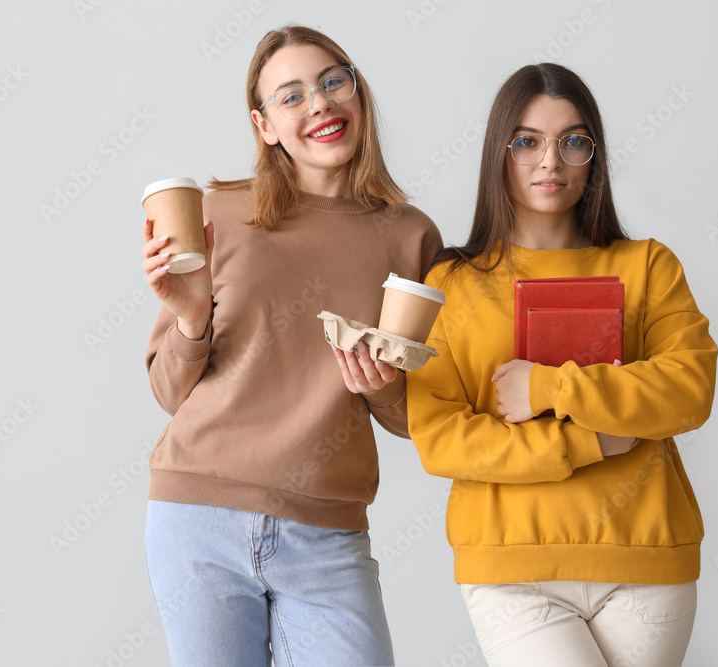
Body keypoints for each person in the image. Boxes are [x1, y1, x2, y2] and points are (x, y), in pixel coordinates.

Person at [140, 25, 442, 666]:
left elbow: (420, 416)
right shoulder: (217, 215)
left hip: (327, 535)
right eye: (292, 95)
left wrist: (383, 389)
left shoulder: (411, 237)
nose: (320, 105)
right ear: (265, 124)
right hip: (198, 518)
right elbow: (169, 391)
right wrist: (191, 318)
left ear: (358, 93)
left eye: (335, 82)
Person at [406, 63, 718, 666]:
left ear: (592, 157)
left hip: (645, 558)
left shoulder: (649, 265)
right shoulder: (451, 283)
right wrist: (591, 442)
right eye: (527, 141)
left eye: (573, 140)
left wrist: (548, 386)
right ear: (499, 153)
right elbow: (441, 439)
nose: (551, 160)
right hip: (510, 565)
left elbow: (689, 390)